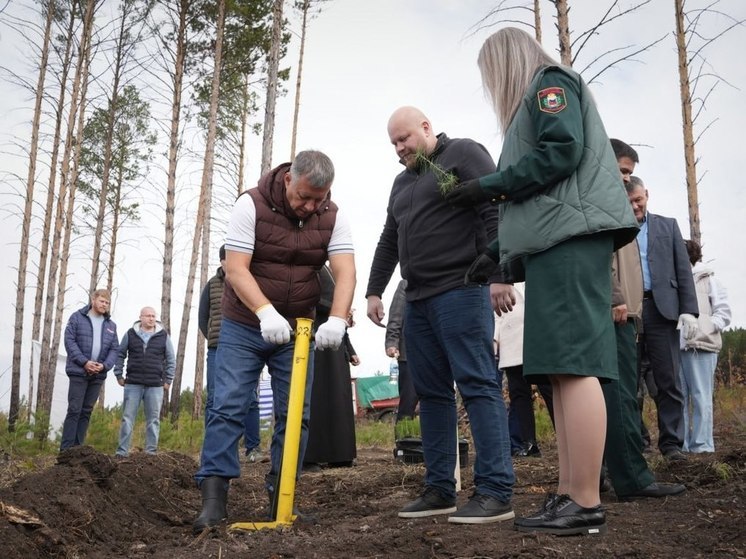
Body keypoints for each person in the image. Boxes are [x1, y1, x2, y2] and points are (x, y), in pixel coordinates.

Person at [445, 28, 638, 535]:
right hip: (556, 241)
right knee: (558, 370)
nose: (492, 85)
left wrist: (484, 187)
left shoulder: (550, 83)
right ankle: (570, 494)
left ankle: (585, 500)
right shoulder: (532, 104)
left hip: (571, 241)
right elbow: (535, 201)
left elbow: (561, 152)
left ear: (507, 63)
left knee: (575, 367)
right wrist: (492, 256)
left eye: (491, 72)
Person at [193, 150, 356, 534]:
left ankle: (281, 496)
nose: (311, 206)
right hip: (243, 324)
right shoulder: (250, 204)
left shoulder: (333, 215)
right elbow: (235, 268)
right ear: (288, 180)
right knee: (228, 406)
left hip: (298, 330)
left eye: (319, 198)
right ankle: (214, 499)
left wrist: (336, 317)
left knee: (296, 415)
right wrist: (265, 312)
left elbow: (345, 271)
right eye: (304, 197)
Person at [366, 106, 515, 525]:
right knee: (430, 394)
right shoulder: (401, 183)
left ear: (426, 128)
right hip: (418, 300)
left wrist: (500, 274)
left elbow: (494, 210)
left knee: (478, 384)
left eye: (404, 139)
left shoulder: (464, 155)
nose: (399, 149)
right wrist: (375, 290)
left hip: (463, 288)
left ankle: (496, 490)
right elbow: (389, 238)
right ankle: (439, 489)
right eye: (393, 143)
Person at [603, 139, 686, 500]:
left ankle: (620, 468)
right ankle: (630, 475)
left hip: (639, 309)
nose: (626, 182)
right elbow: (605, 253)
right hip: (619, 310)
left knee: (649, 385)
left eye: (630, 176)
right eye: (622, 171)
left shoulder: (651, 220)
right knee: (622, 392)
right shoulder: (602, 203)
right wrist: (618, 297)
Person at [626, 174, 699, 460]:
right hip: (630, 311)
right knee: (630, 384)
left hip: (661, 310)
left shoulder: (667, 227)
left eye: (638, 200)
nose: (634, 207)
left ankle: (671, 444)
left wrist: (688, 310)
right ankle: (637, 442)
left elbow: (683, 270)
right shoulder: (615, 228)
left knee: (668, 380)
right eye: (629, 201)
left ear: (647, 195)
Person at [198, 244, 263, 463]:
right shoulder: (212, 285)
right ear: (222, 261)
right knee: (216, 398)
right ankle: (216, 449)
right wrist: (216, 339)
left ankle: (253, 447)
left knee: (250, 398)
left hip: (247, 349)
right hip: (218, 349)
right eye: (229, 259)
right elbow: (202, 317)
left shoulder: (251, 282)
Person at [304, 265, 360, 470]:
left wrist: (350, 349)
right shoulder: (305, 267)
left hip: (335, 345)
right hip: (312, 338)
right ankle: (310, 456)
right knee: (315, 399)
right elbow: (306, 298)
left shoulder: (327, 269)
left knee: (339, 398)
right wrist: (340, 310)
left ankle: (340, 454)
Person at [680, 239, 731, 453]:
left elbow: (724, 313)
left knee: (701, 397)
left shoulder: (709, 279)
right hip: (676, 347)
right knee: (678, 398)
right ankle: (680, 446)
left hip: (702, 346)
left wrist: (706, 327)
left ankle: (702, 447)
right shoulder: (674, 279)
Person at [494, 283, 554, 458]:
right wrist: (494, 338)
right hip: (511, 335)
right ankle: (528, 443)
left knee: (550, 389)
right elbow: (495, 310)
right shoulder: (503, 277)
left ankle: (566, 434)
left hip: (539, 335)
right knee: (519, 393)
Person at [60, 289, 119, 451]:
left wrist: (105, 366)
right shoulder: (77, 318)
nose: (104, 305)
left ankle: (77, 451)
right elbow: (69, 341)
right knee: (74, 410)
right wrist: (84, 362)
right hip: (79, 372)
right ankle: (65, 451)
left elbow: (115, 349)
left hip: (97, 375)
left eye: (107, 303)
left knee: (86, 411)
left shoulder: (111, 326)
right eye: (102, 301)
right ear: (93, 300)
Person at [113, 307, 175, 456]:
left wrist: (168, 380)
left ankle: (150, 453)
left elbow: (171, 359)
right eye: (148, 316)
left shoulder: (163, 336)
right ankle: (122, 452)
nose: (151, 318)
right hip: (133, 383)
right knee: (127, 419)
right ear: (140, 317)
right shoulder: (130, 334)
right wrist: (119, 375)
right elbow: (120, 354)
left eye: (153, 316)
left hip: (155, 385)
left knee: (153, 421)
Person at [384, 279, 419, 423]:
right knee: (408, 402)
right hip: (409, 354)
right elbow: (396, 315)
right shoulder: (406, 283)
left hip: (437, 354)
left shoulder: (445, 279)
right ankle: (403, 442)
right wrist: (392, 342)